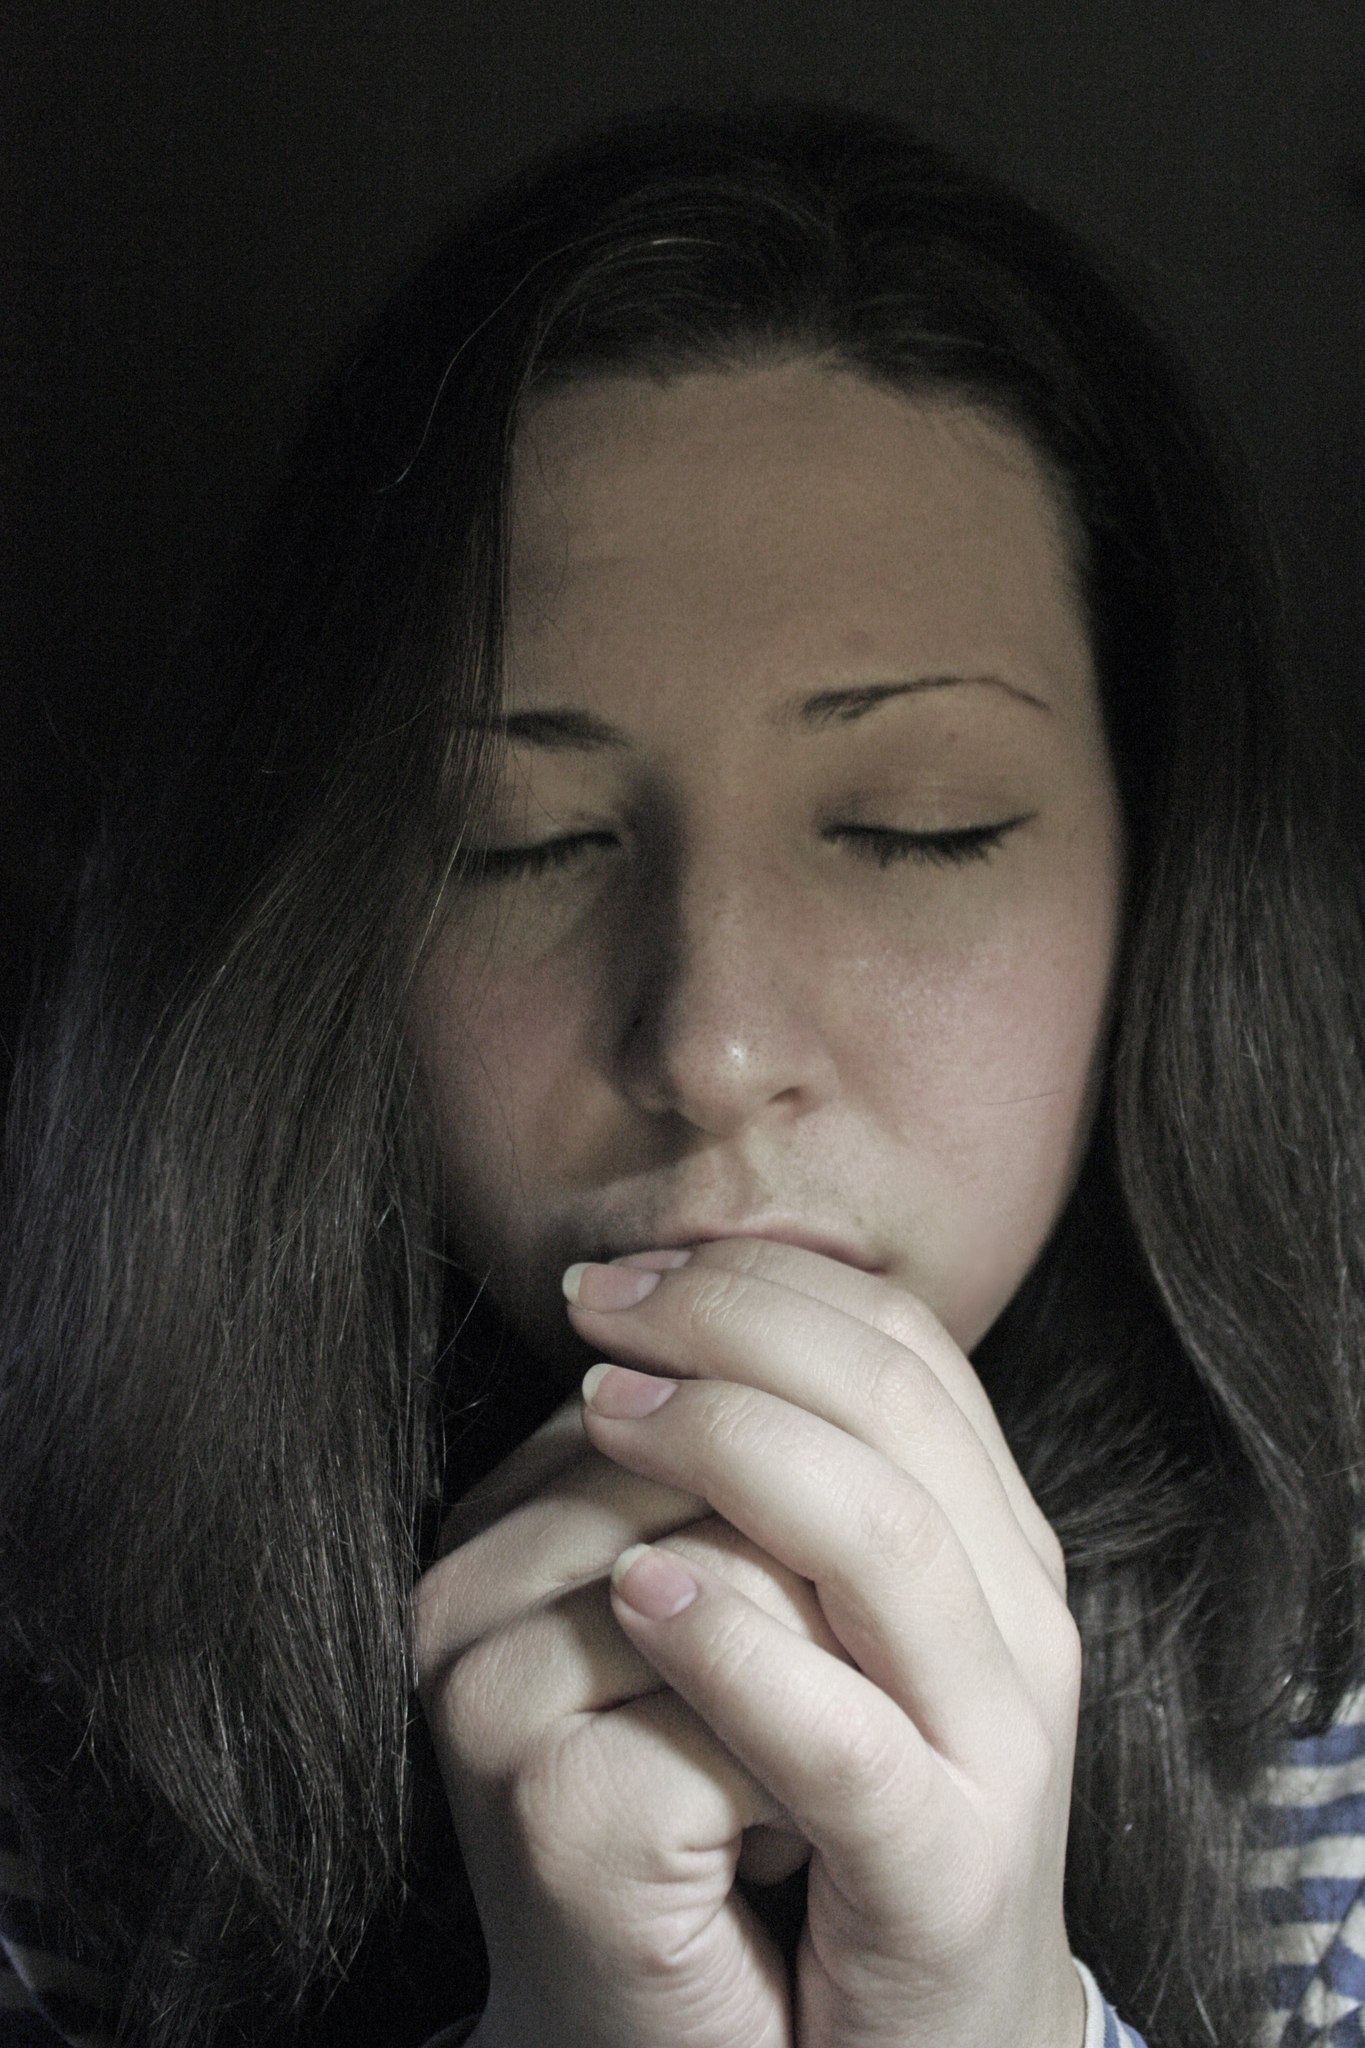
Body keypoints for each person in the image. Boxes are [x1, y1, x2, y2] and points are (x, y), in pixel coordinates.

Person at [2, 100, 1363, 2048]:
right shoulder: (52, 1748)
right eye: (523, 844)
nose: (709, 1047)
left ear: (1155, 892)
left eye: (913, 826)